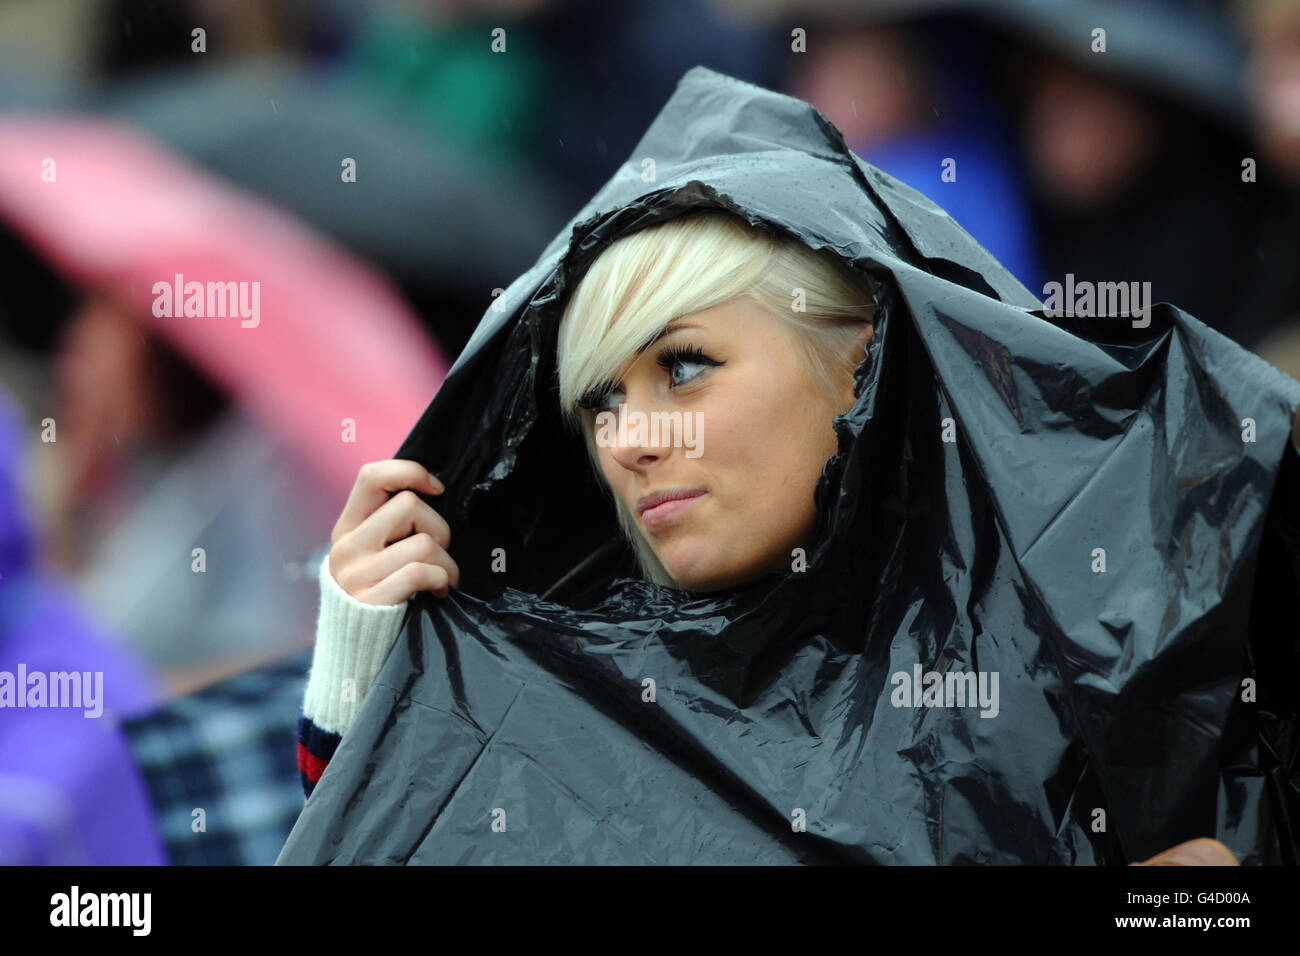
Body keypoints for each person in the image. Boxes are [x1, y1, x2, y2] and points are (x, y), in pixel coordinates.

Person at [284, 67, 1297, 865]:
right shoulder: (561, 669)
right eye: (599, 396)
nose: (628, 438)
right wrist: (377, 696)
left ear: (862, 358)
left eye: (684, 366)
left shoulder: (1114, 633)